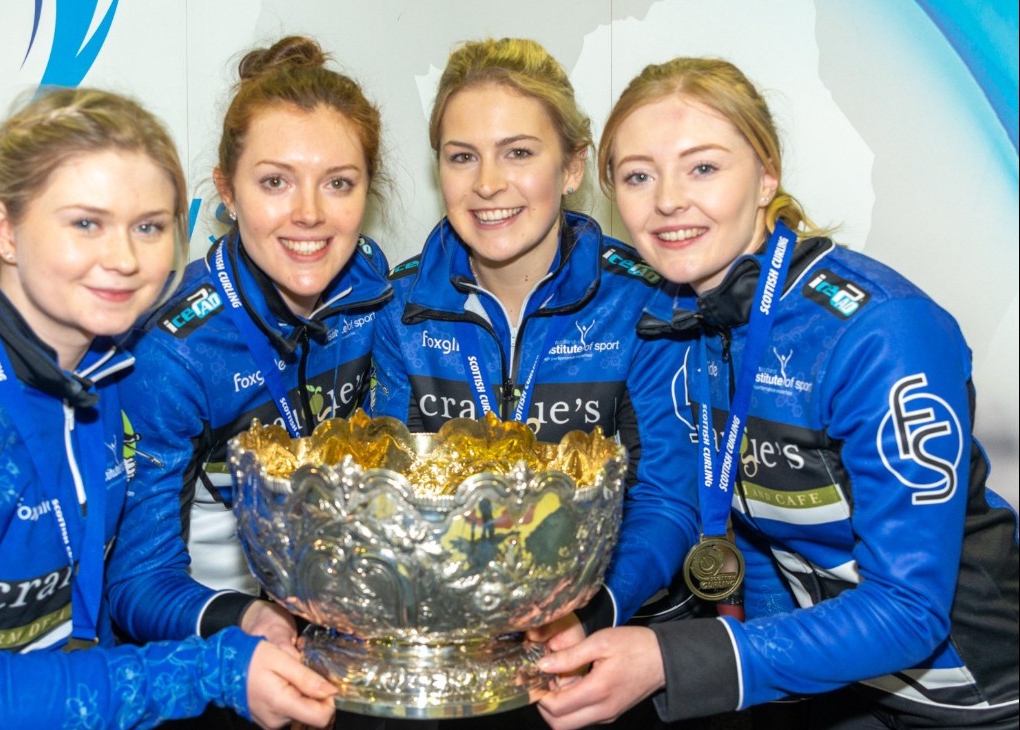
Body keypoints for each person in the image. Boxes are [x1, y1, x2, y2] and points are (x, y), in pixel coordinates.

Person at [0, 87, 336, 730]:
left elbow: (114, 591)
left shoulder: (112, 364)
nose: (125, 259)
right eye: (85, 223)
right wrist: (212, 669)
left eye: (149, 226)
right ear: (4, 228)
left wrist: (239, 620)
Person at [536, 56, 1020, 729]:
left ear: (766, 176)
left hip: (980, 697)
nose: (669, 199)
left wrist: (679, 661)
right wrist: (596, 613)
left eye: (703, 167)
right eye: (639, 175)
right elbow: (756, 544)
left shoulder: (878, 330)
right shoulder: (696, 318)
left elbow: (911, 610)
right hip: (833, 688)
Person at [368, 38, 705, 729]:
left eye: (519, 153)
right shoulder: (399, 309)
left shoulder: (645, 303)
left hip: (612, 637)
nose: (487, 183)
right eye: (463, 157)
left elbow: (670, 499)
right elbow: (390, 509)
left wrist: (590, 610)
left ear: (573, 166)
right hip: (455, 653)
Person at [118, 36, 391, 727]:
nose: (308, 214)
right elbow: (134, 583)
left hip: (343, 624)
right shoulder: (176, 348)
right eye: (275, 182)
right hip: (208, 638)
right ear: (226, 191)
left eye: (338, 182)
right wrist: (245, 617)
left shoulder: (373, 287)